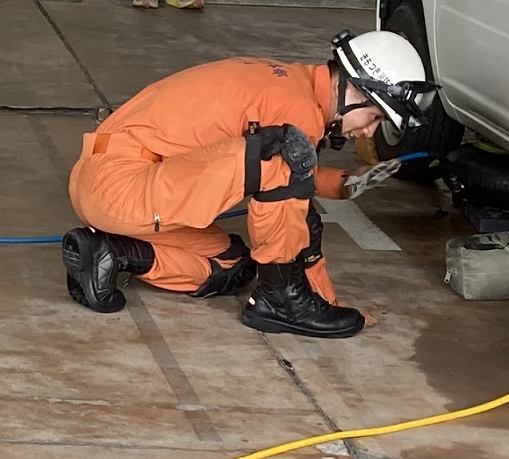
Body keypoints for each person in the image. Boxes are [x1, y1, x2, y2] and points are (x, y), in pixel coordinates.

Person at [60, 30, 435, 338]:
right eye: (375, 117)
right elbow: (294, 207)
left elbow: (282, 179)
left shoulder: (292, 82)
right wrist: (324, 302)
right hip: (124, 187)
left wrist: (338, 183)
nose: (368, 132)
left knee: (233, 264)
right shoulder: (299, 113)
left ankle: (110, 252)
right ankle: (281, 300)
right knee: (284, 153)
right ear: (355, 90)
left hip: (107, 182)